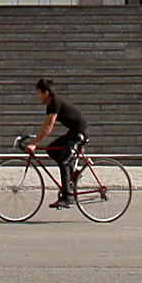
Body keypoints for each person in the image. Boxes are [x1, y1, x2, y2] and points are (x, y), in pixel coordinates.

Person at [26, 79, 88, 210]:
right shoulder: (51, 105)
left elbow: (49, 127)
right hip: (72, 132)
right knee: (52, 150)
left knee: (64, 162)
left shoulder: (55, 103)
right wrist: (34, 142)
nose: (38, 96)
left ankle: (67, 197)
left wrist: (35, 144)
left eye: (39, 93)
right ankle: (72, 174)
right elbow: (45, 125)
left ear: (46, 93)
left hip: (79, 133)